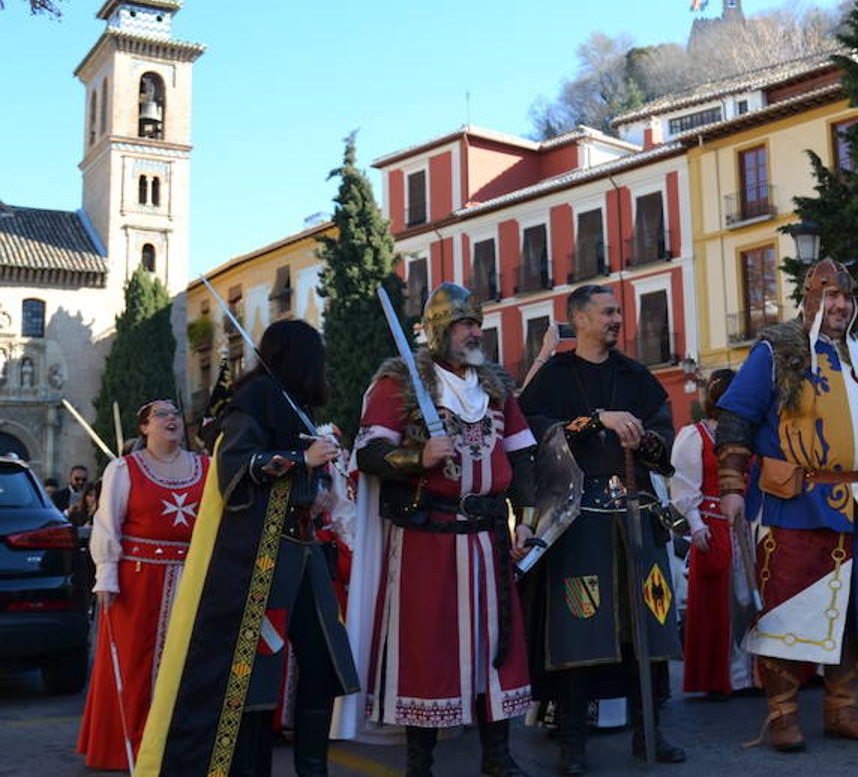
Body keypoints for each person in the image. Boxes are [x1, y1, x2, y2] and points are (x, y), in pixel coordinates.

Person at [137, 320, 359, 777]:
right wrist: (303, 459)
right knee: (251, 674)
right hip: (260, 556)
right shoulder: (252, 401)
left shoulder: (294, 404)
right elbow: (235, 467)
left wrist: (322, 472)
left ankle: (312, 771)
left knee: (324, 660)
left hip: (305, 550)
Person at [715, 259, 858, 752]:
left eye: (845, 297)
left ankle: (842, 707)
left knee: (851, 612)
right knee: (785, 611)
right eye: (829, 296)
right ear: (809, 300)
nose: (839, 305)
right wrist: (733, 486)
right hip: (794, 505)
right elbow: (737, 415)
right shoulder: (777, 351)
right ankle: (782, 715)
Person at [354, 282, 537, 777]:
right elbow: (368, 454)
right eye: (463, 324)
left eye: (476, 322)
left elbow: (522, 458)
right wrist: (417, 456)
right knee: (426, 650)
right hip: (426, 542)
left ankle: (498, 758)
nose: (474, 331)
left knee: (495, 650)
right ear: (438, 331)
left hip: (489, 538)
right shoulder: (399, 384)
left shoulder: (496, 387)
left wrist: (529, 520)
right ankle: (420, 765)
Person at [517, 284, 684, 775]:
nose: (617, 319)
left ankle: (649, 731)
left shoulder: (636, 376)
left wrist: (647, 437)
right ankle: (572, 743)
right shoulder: (554, 375)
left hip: (636, 510)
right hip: (578, 518)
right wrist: (594, 421)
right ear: (581, 319)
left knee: (647, 626)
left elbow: (664, 434)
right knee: (577, 630)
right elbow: (530, 425)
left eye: (618, 311)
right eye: (607, 312)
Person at [76, 401, 208, 769]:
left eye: (175, 414)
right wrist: (106, 575)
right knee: (136, 666)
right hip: (137, 581)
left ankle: (176, 747)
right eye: (161, 414)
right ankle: (126, 750)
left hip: (190, 579)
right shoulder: (124, 469)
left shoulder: (206, 467)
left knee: (185, 666)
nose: (172, 419)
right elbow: (107, 524)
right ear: (145, 427)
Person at [670, 369, 752, 698]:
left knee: (748, 603)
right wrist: (695, 522)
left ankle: (746, 674)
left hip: (745, 524)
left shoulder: (747, 435)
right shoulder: (696, 435)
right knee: (721, 604)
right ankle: (721, 677)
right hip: (712, 523)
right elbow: (683, 482)